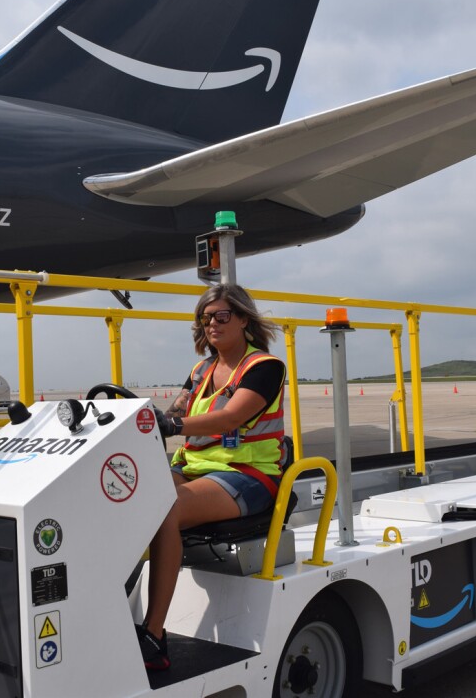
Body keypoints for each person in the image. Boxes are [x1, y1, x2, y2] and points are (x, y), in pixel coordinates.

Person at [139, 283, 286, 671]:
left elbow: (230, 417)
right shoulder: (202, 369)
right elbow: (177, 410)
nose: (213, 324)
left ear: (243, 319)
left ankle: (154, 634)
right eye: (206, 319)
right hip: (194, 468)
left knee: (164, 509)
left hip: (247, 475)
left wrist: (172, 423)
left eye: (222, 316)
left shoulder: (265, 368)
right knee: (127, 498)